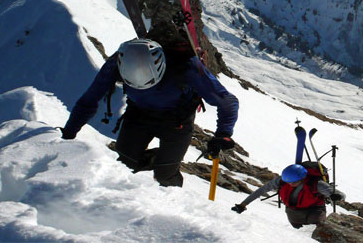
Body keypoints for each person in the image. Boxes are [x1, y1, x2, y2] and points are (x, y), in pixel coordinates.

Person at [60, 38, 239, 187]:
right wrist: (69, 132)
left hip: (177, 120)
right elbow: (90, 99)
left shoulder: (186, 67)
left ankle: (174, 206)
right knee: (124, 163)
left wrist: (223, 133)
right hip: (139, 114)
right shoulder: (118, 62)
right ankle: (160, 162)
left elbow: (228, 102)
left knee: (165, 176)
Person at [231, 163, 345, 228]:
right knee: (294, 236)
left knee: (314, 235)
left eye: (294, 182)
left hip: (314, 213)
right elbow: (260, 191)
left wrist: (336, 196)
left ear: (303, 178)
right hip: (292, 213)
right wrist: (243, 204)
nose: (290, 184)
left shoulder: (316, 184)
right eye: (288, 182)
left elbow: (340, 194)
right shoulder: (282, 181)